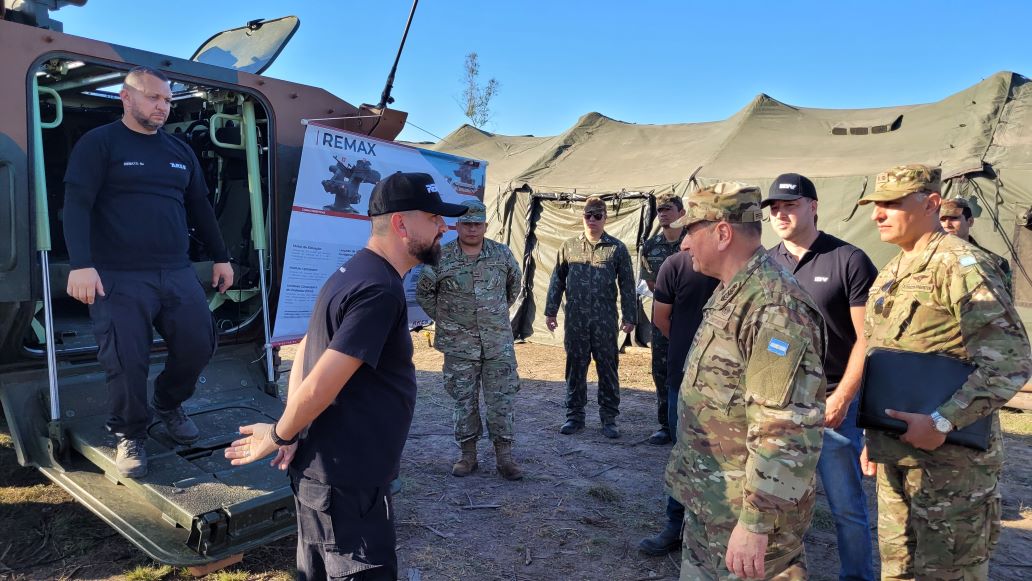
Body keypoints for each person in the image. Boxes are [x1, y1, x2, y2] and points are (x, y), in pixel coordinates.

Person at [224, 172, 466, 580]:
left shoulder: (352, 271)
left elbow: (307, 350)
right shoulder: (378, 290)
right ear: (401, 223)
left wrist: (293, 428)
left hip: (328, 475)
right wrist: (282, 434)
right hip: (347, 483)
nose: (445, 226)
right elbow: (321, 381)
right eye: (434, 217)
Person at [858, 164, 1032, 581]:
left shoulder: (962, 265)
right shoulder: (894, 270)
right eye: (875, 205)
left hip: (950, 468)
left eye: (891, 204)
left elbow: (1010, 360)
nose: (877, 214)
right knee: (897, 570)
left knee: (949, 573)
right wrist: (872, 436)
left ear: (931, 203)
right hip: (896, 456)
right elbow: (886, 358)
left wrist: (941, 421)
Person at [62, 66, 234, 478]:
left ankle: (168, 403)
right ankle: (130, 434)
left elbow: (201, 208)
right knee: (125, 360)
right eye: (155, 98)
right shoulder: (99, 143)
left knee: (199, 345)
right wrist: (81, 265)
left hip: (175, 271)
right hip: (117, 274)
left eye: (168, 100)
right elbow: (77, 204)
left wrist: (222, 256)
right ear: (127, 97)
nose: (163, 106)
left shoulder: (179, 152)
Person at [664, 182, 827, 580]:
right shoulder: (732, 293)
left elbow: (785, 428)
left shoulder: (774, 306)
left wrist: (755, 524)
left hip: (747, 517)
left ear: (722, 233)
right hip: (713, 503)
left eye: (691, 232)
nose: (684, 245)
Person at [763, 172, 878, 581]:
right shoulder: (766, 262)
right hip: (782, 403)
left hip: (832, 403)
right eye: (774, 208)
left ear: (813, 206)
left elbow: (868, 338)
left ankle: (857, 576)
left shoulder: (848, 259)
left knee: (847, 507)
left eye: (789, 206)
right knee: (778, 503)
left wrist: (843, 398)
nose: (780, 214)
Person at [416, 199, 524, 480]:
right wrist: (448, 320)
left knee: (501, 399)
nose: (472, 229)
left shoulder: (502, 254)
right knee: (463, 400)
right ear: (457, 225)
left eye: (478, 223)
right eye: (467, 223)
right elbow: (425, 292)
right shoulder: (441, 257)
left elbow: (514, 286)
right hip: (458, 345)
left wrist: (493, 315)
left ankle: (505, 457)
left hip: (497, 343)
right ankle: (468, 456)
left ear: (485, 225)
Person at [637, 238, 719, 556]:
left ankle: (713, 531)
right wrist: (693, 352)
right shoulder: (677, 265)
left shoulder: (748, 268)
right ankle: (676, 525)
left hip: (731, 389)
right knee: (683, 452)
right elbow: (661, 319)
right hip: (683, 380)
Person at [544, 196, 636, 439]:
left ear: (606, 218)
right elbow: (557, 280)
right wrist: (550, 310)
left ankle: (609, 418)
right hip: (575, 319)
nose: (592, 220)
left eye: (598, 215)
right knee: (575, 367)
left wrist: (630, 316)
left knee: (607, 367)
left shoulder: (617, 248)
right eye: (588, 215)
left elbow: (627, 284)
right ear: (582, 217)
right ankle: (575, 416)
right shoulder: (569, 246)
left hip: (605, 319)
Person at [640, 194, 688, 445]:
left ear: (681, 212)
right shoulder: (650, 246)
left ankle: (690, 425)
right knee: (661, 370)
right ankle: (665, 425)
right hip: (661, 316)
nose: (663, 214)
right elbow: (650, 282)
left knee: (691, 370)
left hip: (691, 316)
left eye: (668, 209)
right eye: (659, 210)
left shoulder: (692, 241)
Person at [939, 197, 1013, 293]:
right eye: (942, 219)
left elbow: (1005, 302)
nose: (947, 224)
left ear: (970, 221)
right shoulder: (925, 257)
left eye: (954, 218)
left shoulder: (993, 261)